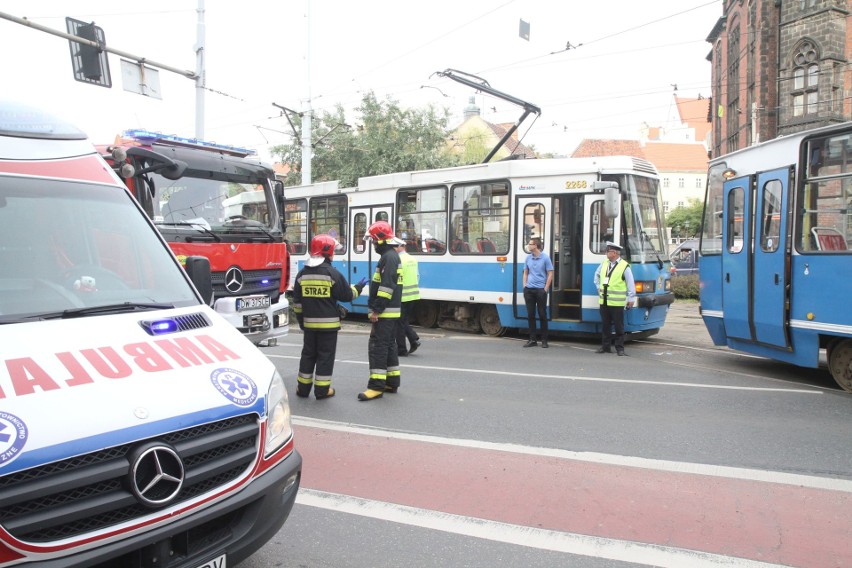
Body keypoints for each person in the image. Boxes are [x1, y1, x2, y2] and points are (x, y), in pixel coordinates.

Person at [292, 234, 367, 399]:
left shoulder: (302, 275)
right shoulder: (333, 274)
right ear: (327, 252)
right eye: (333, 250)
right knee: (325, 357)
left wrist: (301, 323)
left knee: (308, 355)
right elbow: (347, 295)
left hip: (309, 326)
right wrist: (359, 288)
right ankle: (322, 391)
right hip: (328, 327)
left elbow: (297, 304)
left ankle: (302, 390)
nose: (334, 254)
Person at [358, 221, 404, 401]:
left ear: (382, 240)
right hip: (391, 311)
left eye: (374, 241)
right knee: (389, 345)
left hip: (385, 312)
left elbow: (386, 286)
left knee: (378, 346)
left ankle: (376, 386)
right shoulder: (390, 256)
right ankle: (392, 381)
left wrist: (376, 310)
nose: (373, 244)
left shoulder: (389, 258)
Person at [593, 241, 636, 356]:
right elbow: (596, 276)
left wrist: (631, 298)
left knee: (619, 327)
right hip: (604, 301)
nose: (606, 253)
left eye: (609, 251)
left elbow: (630, 283)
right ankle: (605, 346)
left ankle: (620, 348)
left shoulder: (624, 266)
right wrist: (598, 288)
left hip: (616, 303)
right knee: (605, 325)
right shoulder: (604, 264)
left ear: (615, 253)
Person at [522, 236, 554, 348]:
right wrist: (525, 286)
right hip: (529, 290)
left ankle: (544, 340)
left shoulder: (545, 258)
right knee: (530, 315)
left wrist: (545, 288)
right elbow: (525, 272)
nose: (528, 245)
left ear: (536, 245)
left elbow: (550, 273)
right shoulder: (528, 258)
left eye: (530, 244)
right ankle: (532, 340)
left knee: (542, 314)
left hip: (540, 290)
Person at [393, 237, 422, 356]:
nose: (394, 249)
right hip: (414, 295)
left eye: (395, 246)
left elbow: (396, 278)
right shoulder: (412, 259)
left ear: (400, 247)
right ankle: (413, 339)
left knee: (399, 323)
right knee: (403, 320)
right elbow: (418, 276)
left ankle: (402, 349)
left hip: (402, 296)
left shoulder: (398, 260)